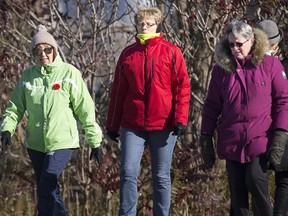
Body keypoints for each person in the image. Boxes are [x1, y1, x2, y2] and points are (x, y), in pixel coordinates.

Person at [0, 25, 103, 216]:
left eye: (47, 49)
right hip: (36, 143)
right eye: (38, 51)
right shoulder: (28, 77)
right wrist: (7, 130)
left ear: (54, 49)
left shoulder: (69, 73)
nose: (43, 54)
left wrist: (95, 142)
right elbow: (14, 108)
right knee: (47, 188)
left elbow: (86, 109)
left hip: (62, 141)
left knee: (48, 180)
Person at [105, 6, 190, 216]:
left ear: (157, 25)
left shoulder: (171, 51)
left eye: (149, 24)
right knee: (127, 173)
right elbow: (118, 92)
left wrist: (181, 118)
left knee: (161, 176)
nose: (145, 27)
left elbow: (182, 86)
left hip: (164, 123)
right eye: (142, 23)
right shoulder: (128, 54)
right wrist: (112, 124)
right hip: (132, 125)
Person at [199, 20, 288, 216]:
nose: (235, 48)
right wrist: (205, 136)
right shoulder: (221, 70)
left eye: (239, 44)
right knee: (238, 195)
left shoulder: (269, 64)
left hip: (259, 138)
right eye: (231, 44)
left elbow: (283, 100)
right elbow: (212, 105)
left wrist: (281, 133)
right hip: (232, 140)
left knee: (255, 180)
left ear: (251, 41)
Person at [256, 20, 288, 216]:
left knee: (269, 181)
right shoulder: (277, 66)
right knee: (283, 181)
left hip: (265, 130)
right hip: (279, 130)